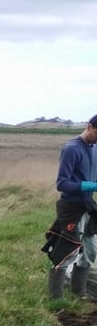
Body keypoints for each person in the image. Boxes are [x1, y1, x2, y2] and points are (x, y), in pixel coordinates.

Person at [43, 114, 97, 299]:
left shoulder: (94, 148)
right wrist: (90, 186)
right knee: (67, 252)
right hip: (70, 207)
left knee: (90, 251)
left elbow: (92, 175)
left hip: (88, 205)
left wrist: (93, 183)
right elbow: (62, 183)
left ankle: (79, 292)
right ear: (90, 126)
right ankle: (56, 298)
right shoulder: (72, 149)